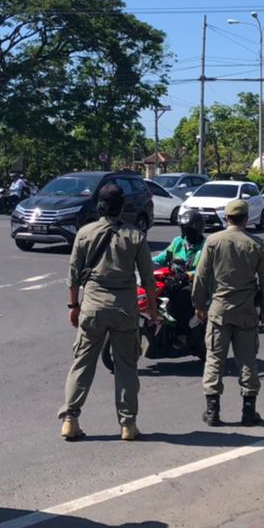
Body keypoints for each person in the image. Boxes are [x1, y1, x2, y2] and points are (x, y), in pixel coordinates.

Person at [59, 183, 158, 442]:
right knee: (126, 366)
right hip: (125, 308)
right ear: (122, 207)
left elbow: (72, 276)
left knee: (82, 364)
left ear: (99, 206)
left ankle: (70, 419)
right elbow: (148, 279)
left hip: (92, 307)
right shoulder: (135, 236)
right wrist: (154, 312)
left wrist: (73, 306)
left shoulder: (85, 233)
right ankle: (128, 425)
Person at [192, 198, 264, 426]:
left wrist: (199, 305)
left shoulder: (213, 241)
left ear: (226, 218)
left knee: (214, 359)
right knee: (247, 361)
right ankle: (248, 411)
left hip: (219, 311)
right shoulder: (256, 244)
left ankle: (212, 411)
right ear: (246, 219)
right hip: (246, 312)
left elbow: (201, 276)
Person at [154, 207, 206, 273]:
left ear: (198, 229)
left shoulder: (206, 246)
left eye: (189, 230)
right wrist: (149, 262)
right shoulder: (178, 241)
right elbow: (162, 257)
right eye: (184, 229)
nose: (187, 233)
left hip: (194, 281)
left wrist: (189, 275)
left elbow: (206, 270)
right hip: (173, 279)